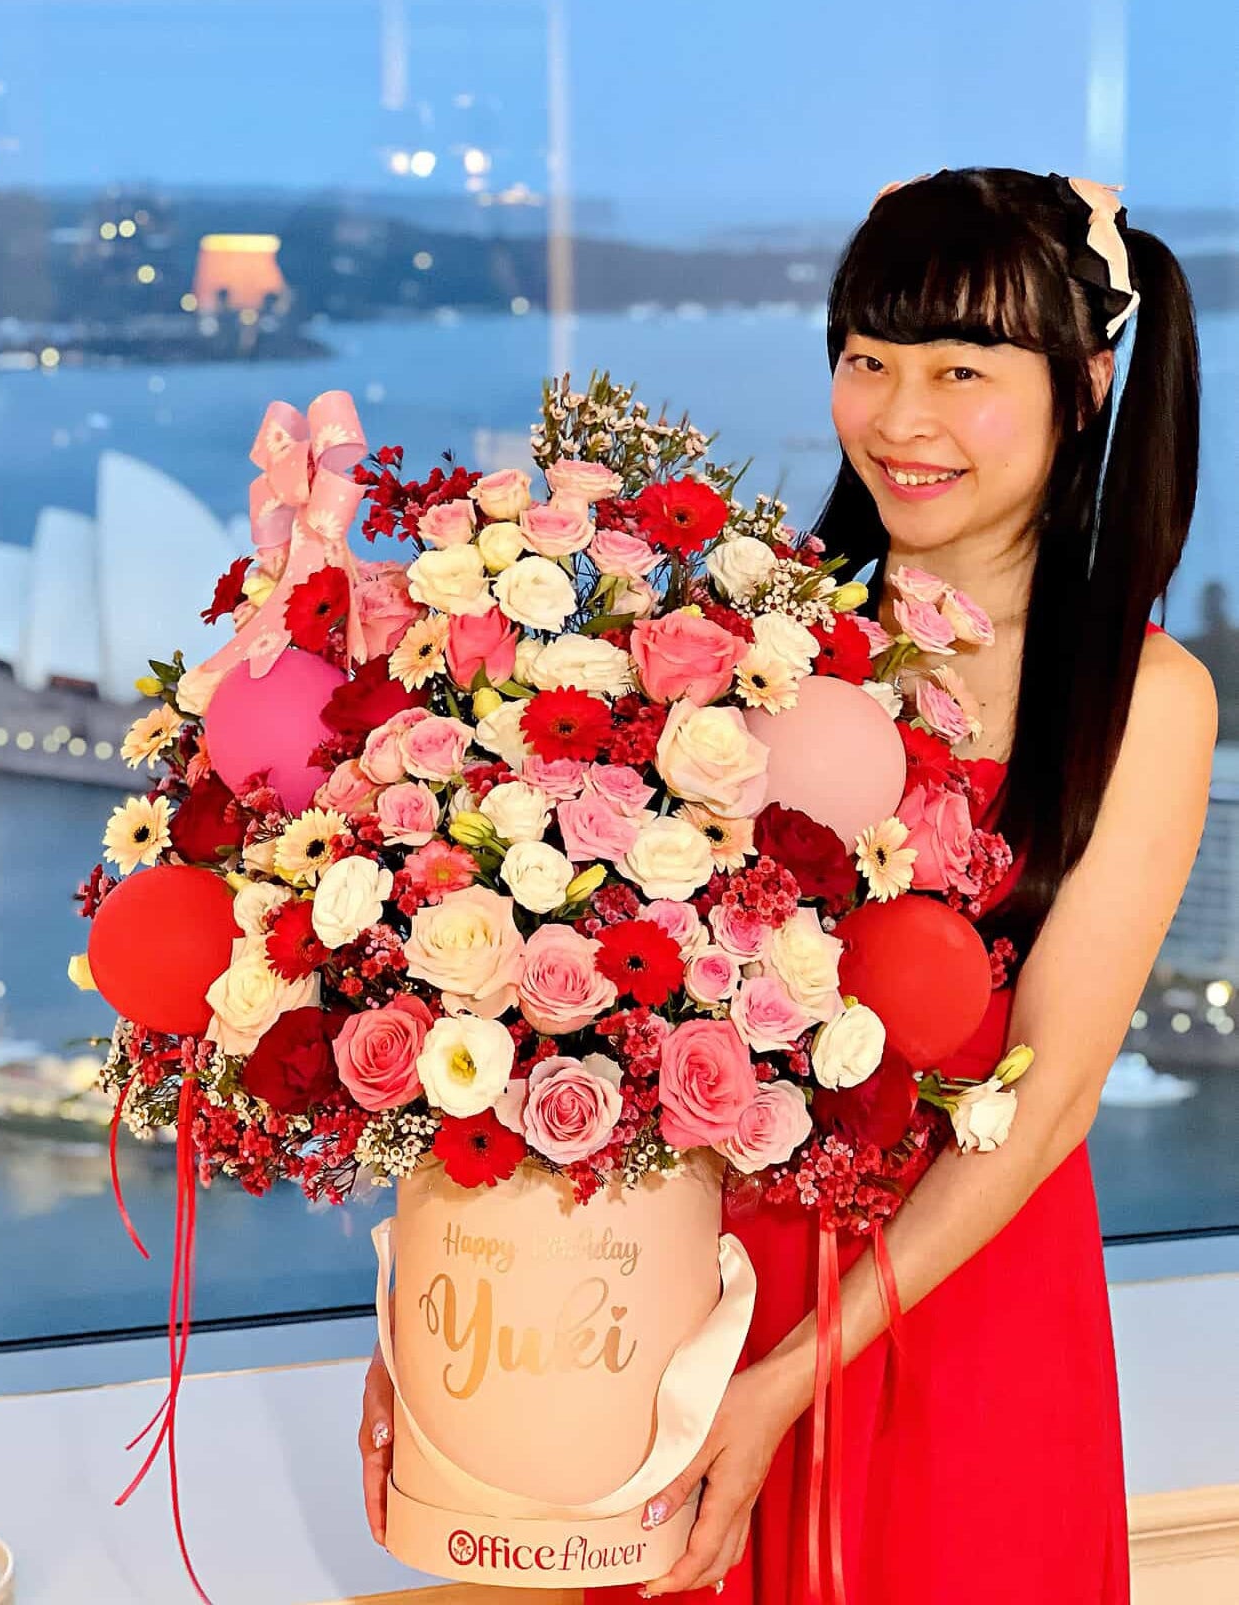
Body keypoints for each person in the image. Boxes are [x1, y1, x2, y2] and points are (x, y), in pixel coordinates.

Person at [358, 167, 1218, 1604]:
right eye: (867, 359)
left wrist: (786, 1386)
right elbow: (556, 1011)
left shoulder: (1147, 698)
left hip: (964, 1309)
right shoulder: (739, 650)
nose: (900, 415)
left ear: (1085, 383)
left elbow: (1049, 1094)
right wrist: (438, 1339)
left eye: (960, 368)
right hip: (705, 1296)